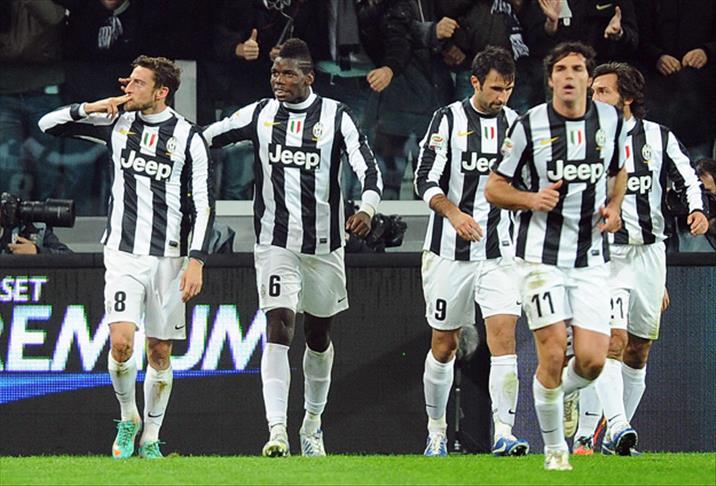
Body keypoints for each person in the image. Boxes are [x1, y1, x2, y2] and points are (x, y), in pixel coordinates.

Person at [203, 38, 382, 457]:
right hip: (275, 242)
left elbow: (368, 168)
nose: (278, 80)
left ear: (309, 77)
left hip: (324, 246)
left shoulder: (336, 116)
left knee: (317, 336)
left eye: (287, 74)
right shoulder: (260, 114)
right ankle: (277, 431)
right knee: (279, 326)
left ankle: (312, 424)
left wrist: (368, 209)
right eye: (274, 73)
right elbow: (205, 138)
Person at [38, 55, 214, 459]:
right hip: (122, 251)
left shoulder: (189, 137)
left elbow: (204, 205)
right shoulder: (116, 123)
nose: (127, 88)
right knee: (121, 343)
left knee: (159, 351)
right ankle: (127, 417)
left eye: (138, 83)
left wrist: (197, 259)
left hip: (169, 257)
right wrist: (92, 107)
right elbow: (47, 124)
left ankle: (151, 436)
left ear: (161, 91)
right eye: (128, 81)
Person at [484, 41, 629, 471]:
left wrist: (615, 205)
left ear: (588, 77)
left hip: (591, 258)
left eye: (577, 69)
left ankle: (549, 394)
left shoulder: (609, 120)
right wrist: (531, 199)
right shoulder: (528, 126)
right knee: (551, 354)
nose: (569, 76)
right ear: (550, 80)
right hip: (540, 259)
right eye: (561, 69)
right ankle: (555, 450)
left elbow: (619, 168)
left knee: (593, 360)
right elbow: (494, 188)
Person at [569, 62, 709, 455]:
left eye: (603, 91)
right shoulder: (585, 140)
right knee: (613, 341)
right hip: (607, 256)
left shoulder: (659, 138)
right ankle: (612, 427)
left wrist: (697, 210)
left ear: (627, 98)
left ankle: (612, 440)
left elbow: (688, 178)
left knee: (638, 350)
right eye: (593, 92)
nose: (594, 98)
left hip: (649, 254)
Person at [414, 46, 529, 457]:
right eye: (496, 88)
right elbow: (424, 179)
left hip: (500, 254)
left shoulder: (517, 126)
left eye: (509, 89)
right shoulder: (447, 120)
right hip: (449, 253)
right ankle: (437, 432)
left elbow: (529, 182)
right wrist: (453, 213)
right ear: (475, 82)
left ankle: (504, 432)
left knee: (504, 337)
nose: (502, 97)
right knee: (444, 344)